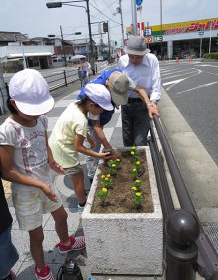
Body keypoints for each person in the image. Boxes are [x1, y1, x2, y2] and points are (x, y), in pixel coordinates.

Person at [0, 69, 86, 280]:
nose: (37, 114)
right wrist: (39, 185)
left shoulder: (42, 121)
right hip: (27, 191)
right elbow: (6, 171)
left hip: (46, 181)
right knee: (37, 235)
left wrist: (51, 162)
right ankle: (41, 269)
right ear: (14, 103)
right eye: (32, 109)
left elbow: (44, 143)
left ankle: (66, 243)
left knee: (62, 216)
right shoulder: (8, 130)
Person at [77, 68, 158, 183]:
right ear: (106, 85)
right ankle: (92, 176)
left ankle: (97, 165)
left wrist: (149, 105)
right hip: (88, 120)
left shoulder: (120, 78)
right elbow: (96, 126)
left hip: (99, 113)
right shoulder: (94, 95)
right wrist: (110, 150)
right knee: (93, 146)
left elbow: (139, 89)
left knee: (99, 142)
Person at [49, 83, 113, 211]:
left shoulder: (76, 104)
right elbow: (78, 147)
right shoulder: (81, 120)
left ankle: (81, 201)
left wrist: (89, 139)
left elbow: (76, 128)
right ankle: (82, 205)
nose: (102, 111)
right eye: (101, 109)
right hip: (63, 150)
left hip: (56, 141)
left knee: (77, 174)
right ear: (91, 105)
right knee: (78, 176)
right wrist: (98, 155)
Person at [118, 35, 161, 146]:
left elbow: (156, 85)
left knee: (139, 141)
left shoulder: (152, 60)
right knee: (127, 139)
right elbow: (120, 82)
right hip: (126, 104)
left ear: (144, 54)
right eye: (131, 56)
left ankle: (139, 160)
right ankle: (132, 162)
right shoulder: (122, 61)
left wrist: (152, 103)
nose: (134, 60)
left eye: (138, 57)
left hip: (143, 105)